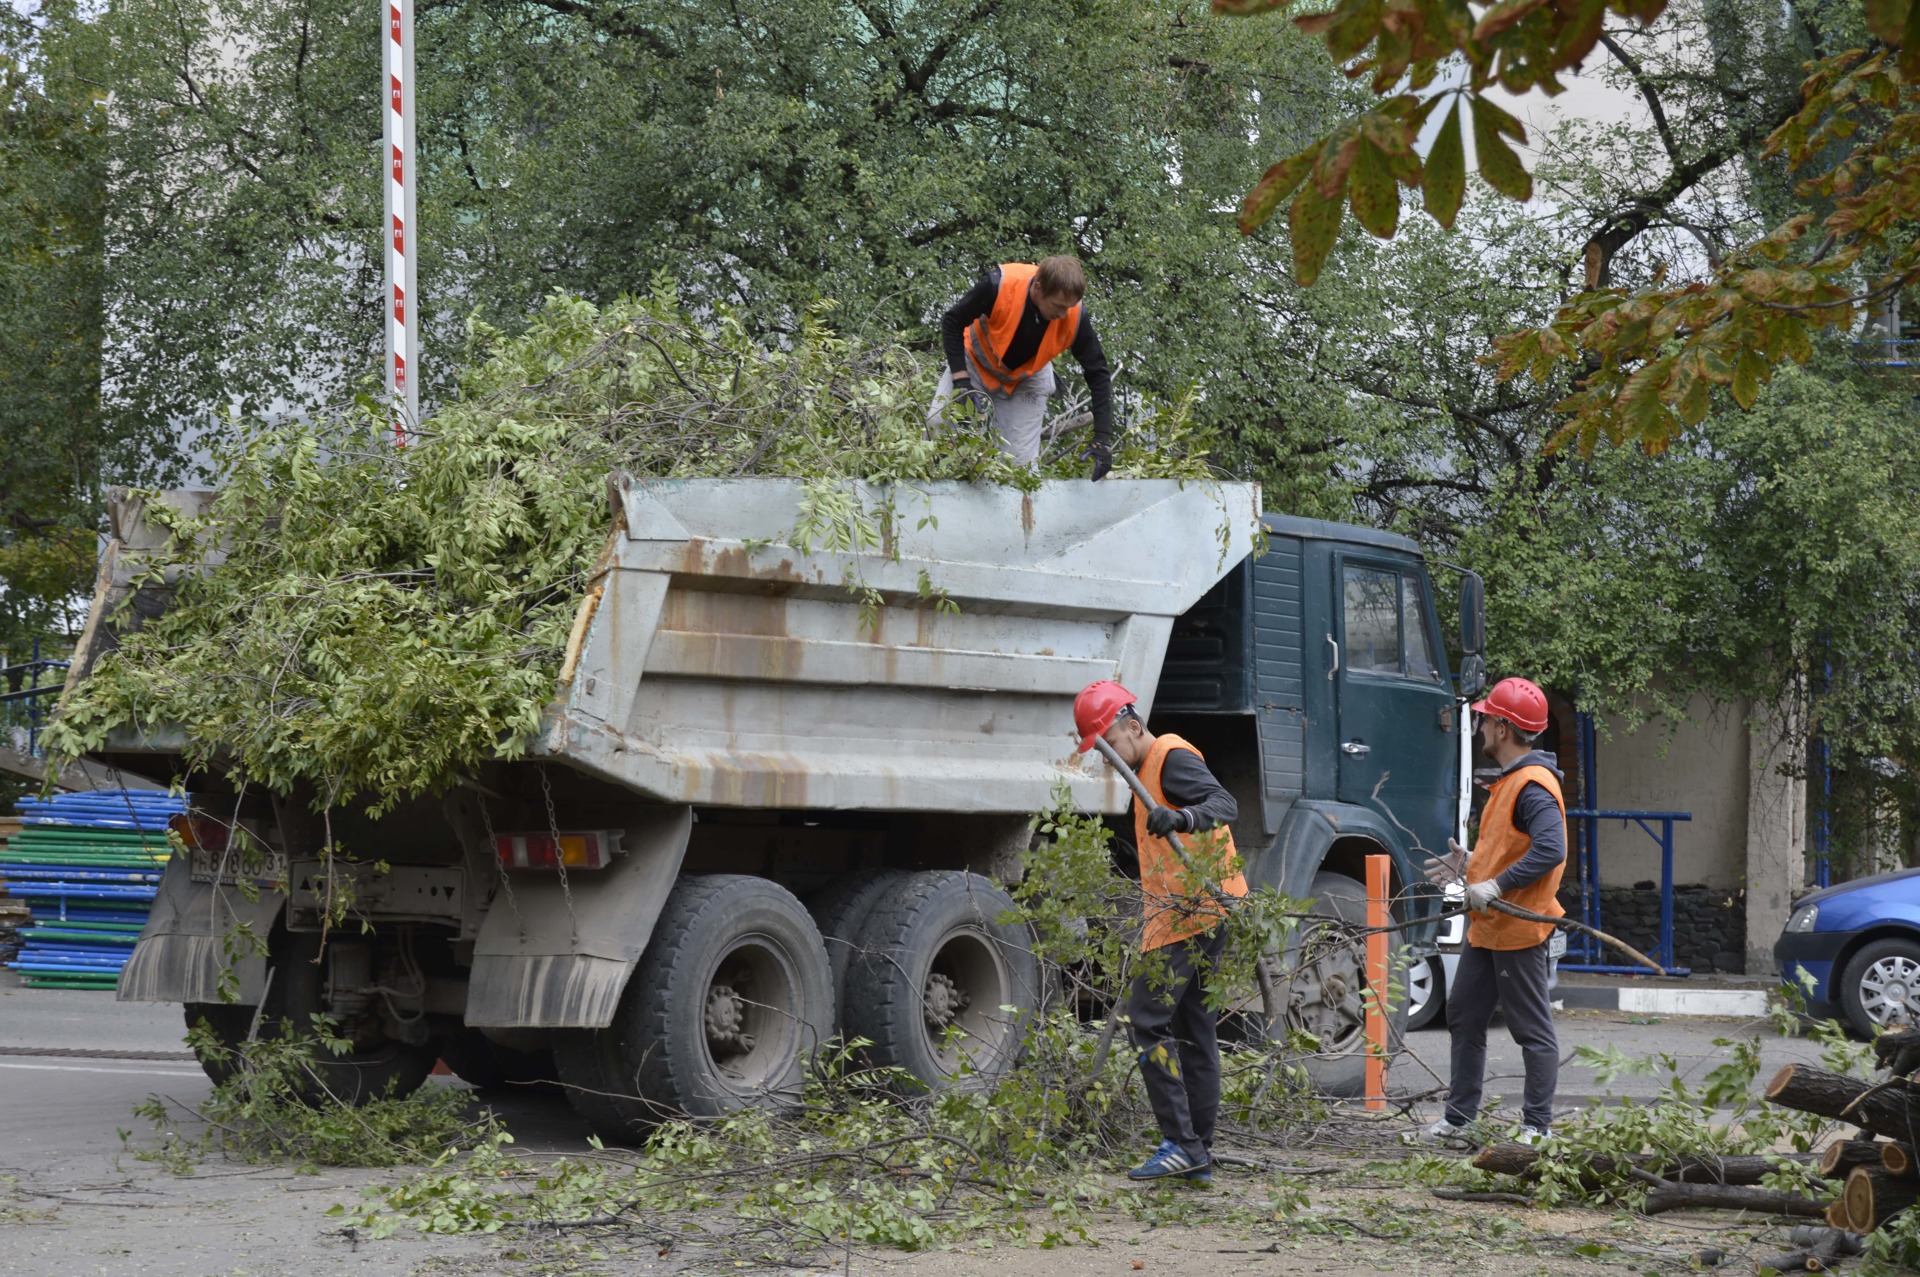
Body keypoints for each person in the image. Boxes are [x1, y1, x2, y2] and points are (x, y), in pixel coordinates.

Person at [1073, 679, 1245, 1183]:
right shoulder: (1145, 769)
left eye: (1108, 746)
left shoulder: (1169, 756)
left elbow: (1224, 803)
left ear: (1132, 726)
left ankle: (1181, 1142)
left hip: (1192, 915)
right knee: (1195, 1034)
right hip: (1201, 912)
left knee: (1147, 1023)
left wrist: (1183, 816)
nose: (1106, 758)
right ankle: (1198, 1153)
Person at [1413, 676, 1569, 1146]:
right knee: (1463, 1013)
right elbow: (1513, 846)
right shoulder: (1512, 783)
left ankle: (1536, 1129)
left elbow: (1551, 849)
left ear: (1502, 728)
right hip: (1491, 925)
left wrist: (1496, 883)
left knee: (1531, 1030)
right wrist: (1469, 863)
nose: (1479, 726)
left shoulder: (1532, 786)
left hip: (1518, 927)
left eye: (1484, 719)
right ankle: (1460, 1120)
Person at [931, 255, 1115, 478]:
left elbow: (1098, 373)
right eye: (1058, 306)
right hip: (975, 361)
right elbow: (952, 321)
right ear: (1038, 288)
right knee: (938, 425)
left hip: (1028, 378)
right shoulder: (998, 285)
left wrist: (1103, 439)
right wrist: (961, 381)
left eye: (1070, 307)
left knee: (1020, 470)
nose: (1064, 314)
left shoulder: (1075, 317)